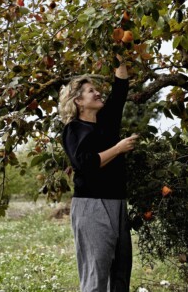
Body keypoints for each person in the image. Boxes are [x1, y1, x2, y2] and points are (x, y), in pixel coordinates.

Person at [58, 54, 138, 292]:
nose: (97, 93)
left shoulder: (106, 121)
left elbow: (120, 90)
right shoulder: (73, 130)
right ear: (78, 101)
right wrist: (118, 148)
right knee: (96, 273)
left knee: (121, 274)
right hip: (91, 206)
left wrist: (121, 60)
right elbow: (86, 164)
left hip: (117, 203)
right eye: (91, 91)